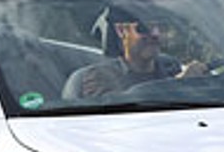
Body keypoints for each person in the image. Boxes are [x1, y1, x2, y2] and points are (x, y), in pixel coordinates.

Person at [64, 13, 206, 99]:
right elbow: (114, 110)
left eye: (161, 28)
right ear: (121, 31)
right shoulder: (99, 76)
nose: (155, 34)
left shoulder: (171, 68)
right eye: (143, 28)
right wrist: (178, 84)